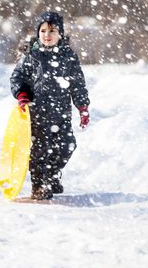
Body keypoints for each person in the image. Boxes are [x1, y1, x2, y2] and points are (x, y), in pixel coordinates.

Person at [10, 11, 90, 200]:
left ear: (60, 33)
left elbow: (77, 83)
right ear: (38, 33)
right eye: (43, 30)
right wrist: (22, 94)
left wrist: (83, 107)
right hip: (37, 113)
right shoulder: (32, 55)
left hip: (61, 113)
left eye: (52, 31)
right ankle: (39, 185)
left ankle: (52, 176)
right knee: (41, 150)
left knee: (67, 146)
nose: (47, 35)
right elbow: (17, 77)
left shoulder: (68, 56)